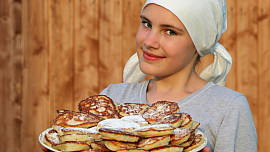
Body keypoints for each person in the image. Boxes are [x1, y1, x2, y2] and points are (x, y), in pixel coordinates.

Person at [100, 0, 257, 151]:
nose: (149, 41)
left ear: (199, 42)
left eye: (170, 32)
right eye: (147, 24)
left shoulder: (229, 108)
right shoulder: (111, 98)